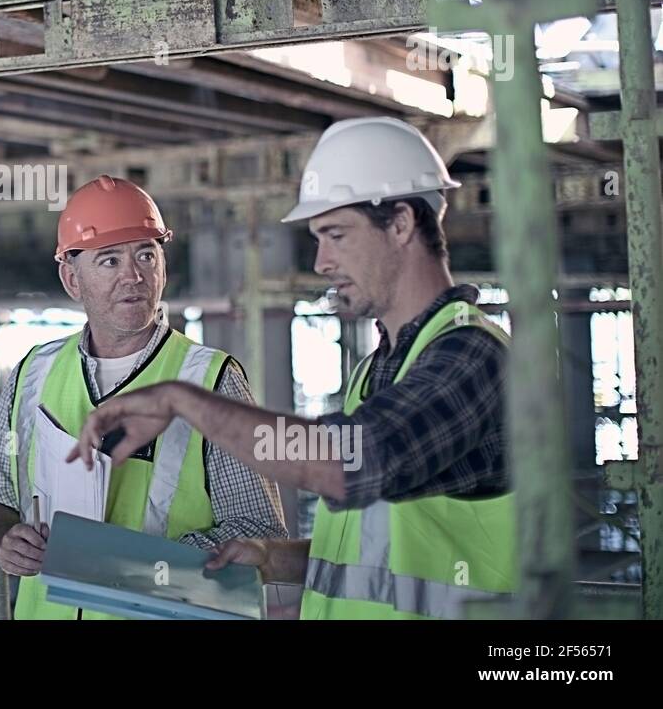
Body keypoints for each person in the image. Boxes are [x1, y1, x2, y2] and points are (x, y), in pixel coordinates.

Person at [71, 118, 514, 619]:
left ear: (401, 224)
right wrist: (274, 558)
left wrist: (182, 401)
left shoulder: (472, 355)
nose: (321, 261)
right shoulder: (377, 370)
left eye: (336, 235)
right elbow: (372, 554)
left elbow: (352, 464)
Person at [0, 174, 285, 619]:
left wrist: (134, 560)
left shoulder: (211, 379)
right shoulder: (32, 374)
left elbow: (259, 528)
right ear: (71, 279)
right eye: (109, 261)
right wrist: (4, 541)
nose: (133, 276)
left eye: (146, 254)